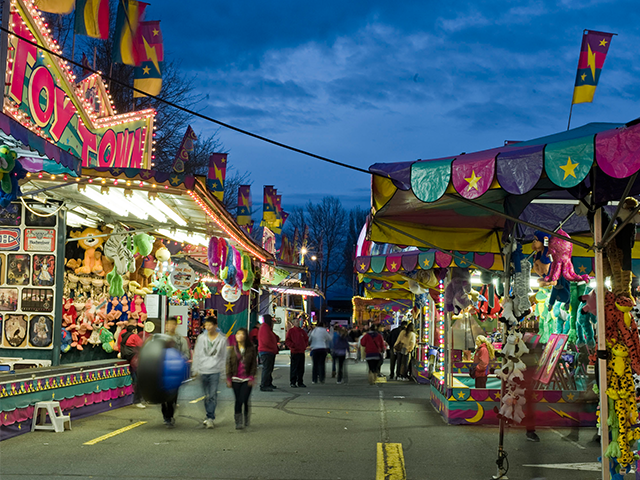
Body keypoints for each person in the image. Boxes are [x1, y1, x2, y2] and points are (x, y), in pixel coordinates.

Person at [192, 316, 228, 428]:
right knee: (206, 395)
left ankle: (210, 417)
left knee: (212, 395)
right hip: (203, 370)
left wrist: (224, 373)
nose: (208, 327)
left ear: (215, 326)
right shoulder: (202, 338)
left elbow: (224, 357)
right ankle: (209, 414)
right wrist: (195, 369)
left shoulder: (222, 340)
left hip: (215, 371)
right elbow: (197, 354)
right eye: (206, 325)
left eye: (210, 325)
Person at [161, 316, 190, 427]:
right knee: (163, 396)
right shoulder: (161, 339)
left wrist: (177, 360)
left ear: (176, 326)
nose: (170, 326)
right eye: (168, 324)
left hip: (175, 373)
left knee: (172, 397)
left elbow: (186, 355)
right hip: (163, 372)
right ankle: (166, 415)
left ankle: (170, 417)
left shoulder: (181, 340)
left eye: (173, 324)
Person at [226, 328, 257, 430]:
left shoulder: (251, 348)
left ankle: (246, 419)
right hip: (235, 378)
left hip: (247, 378)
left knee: (245, 399)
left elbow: (253, 364)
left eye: (242, 334)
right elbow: (229, 364)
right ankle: (238, 421)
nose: (240, 336)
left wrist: (252, 376)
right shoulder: (232, 349)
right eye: (238, 334)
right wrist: (228, 378)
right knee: (238, 400)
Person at [120, 324, 144, 408]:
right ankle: (138, 400)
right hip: (136, 360)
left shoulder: (124, 336)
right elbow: (142, 345)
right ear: (134, 330)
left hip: (129, 359)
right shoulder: (134, 336)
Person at [285, 317, 309, 388]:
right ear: (293, 323)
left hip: (301, 351)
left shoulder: (302, 331)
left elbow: (306, 339)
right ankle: (293, 382)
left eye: (298, 322)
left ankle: (300, 381)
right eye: (296, 322)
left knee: (301, 368)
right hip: (294, 351)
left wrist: (304, 346)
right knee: (294, 368)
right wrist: (293, 346)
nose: (298, 323)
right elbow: (288, 340)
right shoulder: (291, 331)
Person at [258, 314, 279, 391]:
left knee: (269, 369)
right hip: (266, 351)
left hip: (268, 351)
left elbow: (273, 337)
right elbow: (266, 340)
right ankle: (264, 385)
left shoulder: (267, 328)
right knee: (267, 368)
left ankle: (268, 383)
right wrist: (273, 346)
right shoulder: (265, 328)